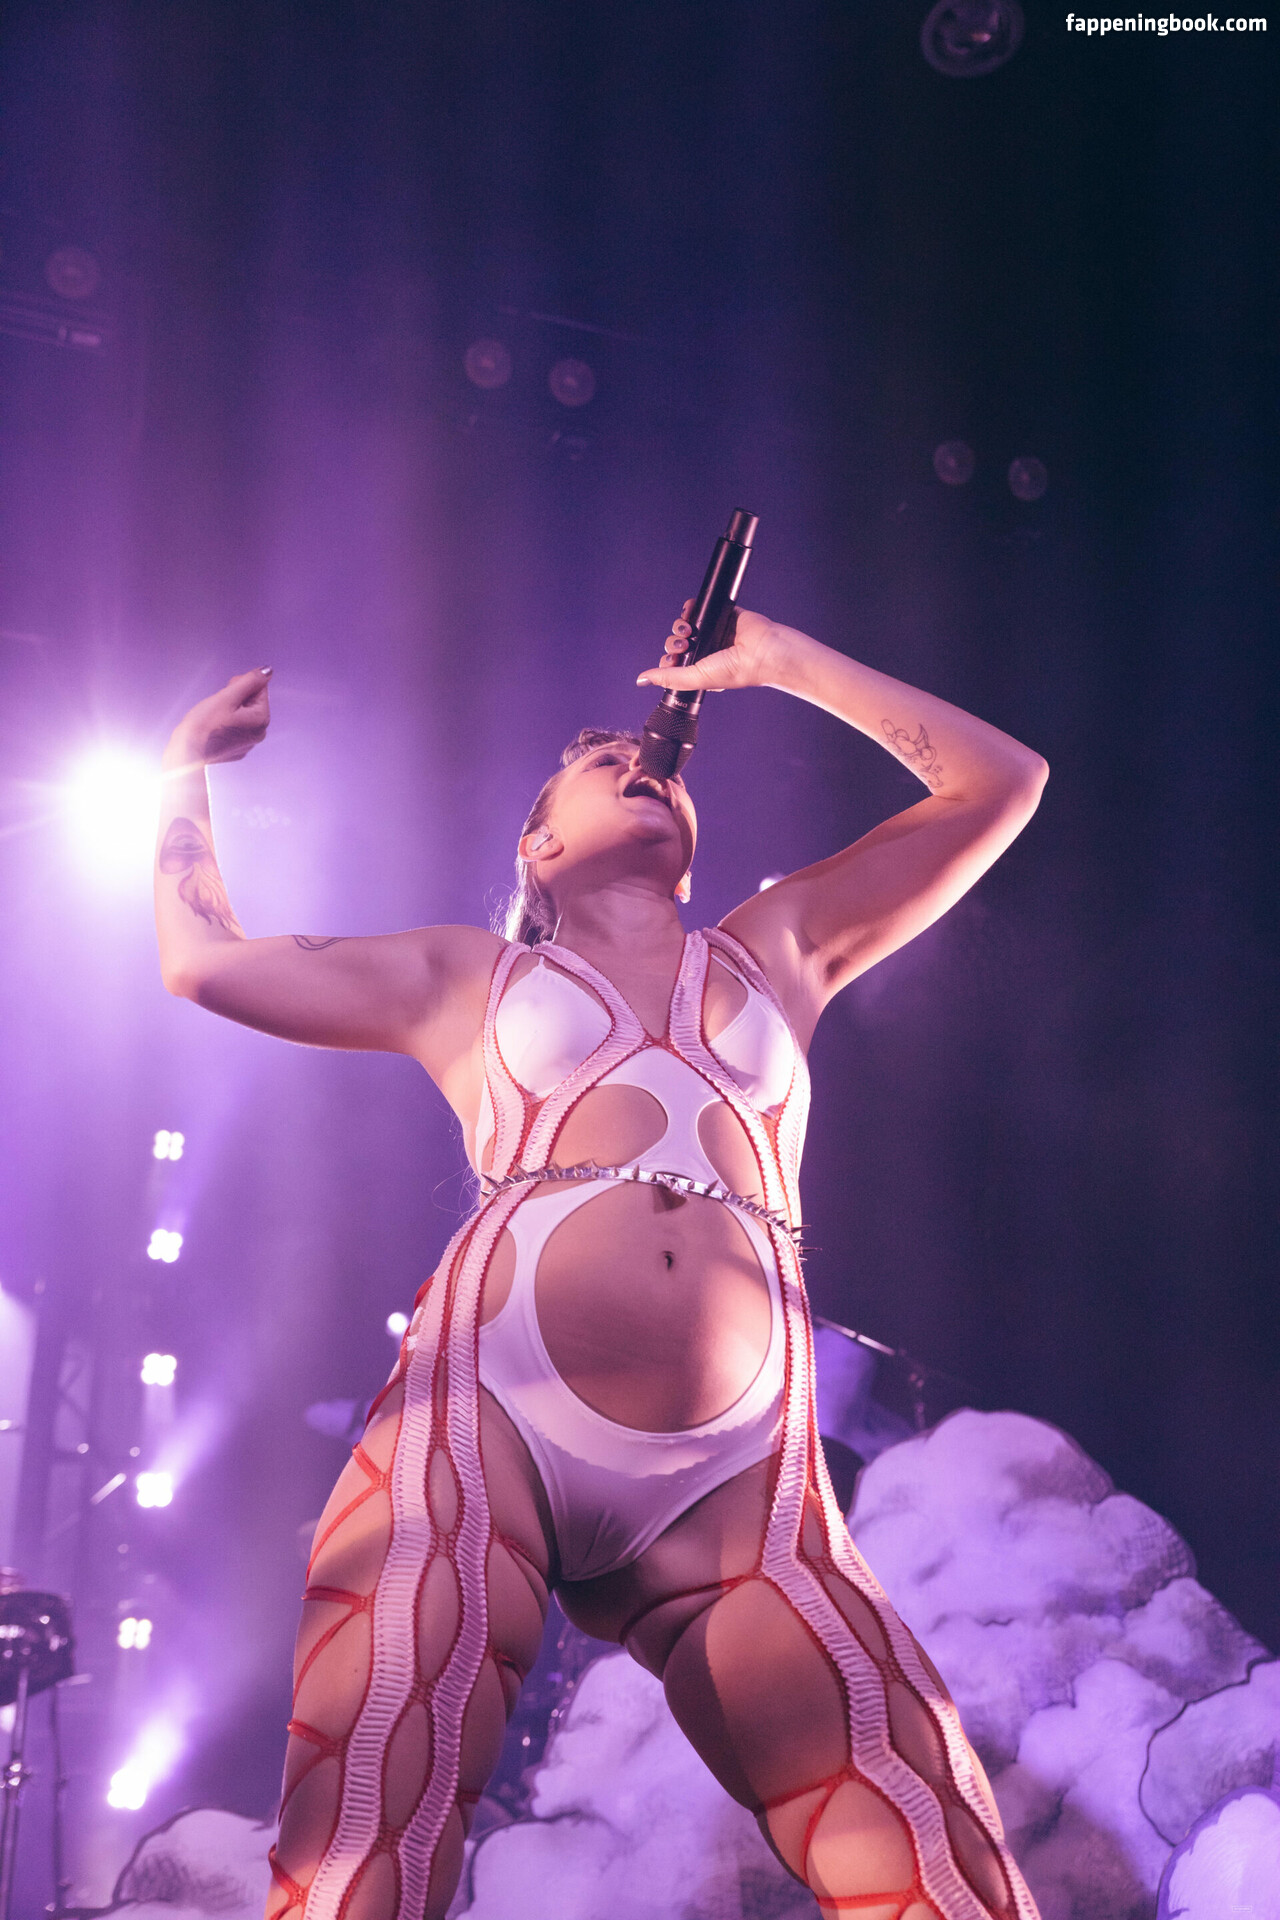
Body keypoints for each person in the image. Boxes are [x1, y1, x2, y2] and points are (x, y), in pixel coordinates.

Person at [154, 603, 1048, 1920]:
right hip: (481, 1427)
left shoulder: (779, 944)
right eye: (598, 759)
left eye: (657, 763)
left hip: (742, 1490)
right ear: (539, 847)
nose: (645, 761)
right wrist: (181, 768)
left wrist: (780, 663)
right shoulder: (466, 977)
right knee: (361, 1850)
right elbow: (203, 962)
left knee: (937, 1860)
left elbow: (1000, 783)